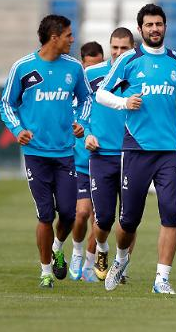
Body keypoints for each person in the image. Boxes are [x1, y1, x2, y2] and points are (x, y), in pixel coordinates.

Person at [96, 4, 176, 294]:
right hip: (136, 150)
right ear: (140, 29)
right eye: (149, 25)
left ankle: (162, 279)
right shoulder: (129, 60)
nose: (154, 29)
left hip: (169, 151)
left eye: (159, 24)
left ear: (165, 27)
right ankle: (120, 260)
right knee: (128, 220)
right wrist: (124, 102)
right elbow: (102, 93)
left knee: (171, 213)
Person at [0, 15, 92, 288]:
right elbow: (6, 104)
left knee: (68, 214)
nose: (72, 40)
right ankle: (46, 271)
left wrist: (82, 123)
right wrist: (18, 130)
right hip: (36, 154)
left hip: (64, 153)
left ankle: (57, 248)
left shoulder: (74, 68)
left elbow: (87, 99)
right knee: (45, 215)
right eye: (68, 35)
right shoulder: (23, 67)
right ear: (55, 37)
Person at [85, 28, 137, 284]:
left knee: (129, 219)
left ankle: (122, 265)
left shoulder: (141, 74)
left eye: (123, 48)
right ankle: (103, 250)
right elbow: (77, 108)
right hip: (102, 155)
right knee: (103, 218)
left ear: (132, 48)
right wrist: (86, 133)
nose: (118, 53)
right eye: (114, 48)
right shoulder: (92, 74)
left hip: (133, 155)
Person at [69, 41, 105, 282]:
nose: (94, 71)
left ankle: (89, 267)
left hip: (102, 160)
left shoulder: (107, 91)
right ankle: (76, 252)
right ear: (83, 64)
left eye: (99, 65)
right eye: (90, 66)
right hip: (80, 161)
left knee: (99, 218)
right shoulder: (73, 90)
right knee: (81, 213)